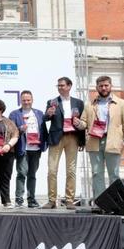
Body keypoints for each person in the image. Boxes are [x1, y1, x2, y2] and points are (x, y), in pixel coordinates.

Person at [77, 76, 124, 199]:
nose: (103, 88)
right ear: (97, 87)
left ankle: (116, 203)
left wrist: (122, 141)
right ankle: (100, 202)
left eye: (106, 85)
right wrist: (78, 124)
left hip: (113, 141)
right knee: (97, 173)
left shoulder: (121, 103)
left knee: (114, 174)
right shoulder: (89, 105)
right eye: (101, 86)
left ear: (110, 86)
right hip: (94, 141)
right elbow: (84, 123)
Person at [42, 77, 85, 210]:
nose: (60, 87)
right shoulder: (52, 101)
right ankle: (51, 200)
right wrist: (48, 114)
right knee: (52, 170)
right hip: (56, 138)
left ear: (69, 86)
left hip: (72, 137)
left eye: (62, 85)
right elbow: (45, 118)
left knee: (71, 170)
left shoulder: (78, 102)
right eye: (58, 86)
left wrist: (82, 140)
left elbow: (83, 122)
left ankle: (69, 200)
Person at [8, 90, 48, 208]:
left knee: (32, 174)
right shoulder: (14, 114)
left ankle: (31, 199)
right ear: (21, 100)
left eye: (28, 100)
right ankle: (19, 199)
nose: (26, 102)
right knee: (21, 173)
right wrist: (20, 129)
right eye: (24, 100)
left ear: (32, 100)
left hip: (36, 148)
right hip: (22, 148)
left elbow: (43, 131)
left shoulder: (39, 113)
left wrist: (44, 145)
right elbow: (11, 131)